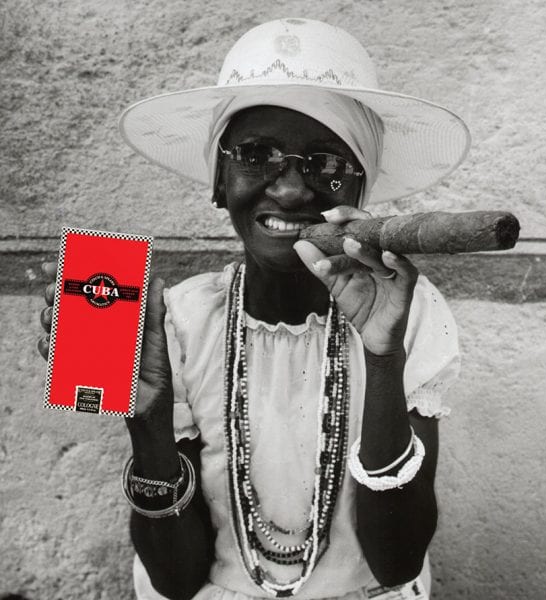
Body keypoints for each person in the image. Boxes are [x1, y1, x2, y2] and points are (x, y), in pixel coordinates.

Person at [39, 18, 467, 600]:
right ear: (220, 182)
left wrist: (383, 357)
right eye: (256, 154)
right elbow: (175, 580)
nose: (289, 190)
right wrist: (149, 423)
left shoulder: (409, 312)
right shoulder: (181, 323)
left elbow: (397, 562)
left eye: (327, 163)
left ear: (359, 191)